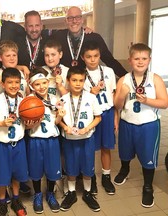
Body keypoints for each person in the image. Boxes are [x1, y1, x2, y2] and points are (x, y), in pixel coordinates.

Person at [113, 43, 168, 208]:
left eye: (144, 58)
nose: (140, 61)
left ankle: (148, 186)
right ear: (130, 60)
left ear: (149, 60)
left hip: (148, 125)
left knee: (148, 158)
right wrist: (121, 95)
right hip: (127, 123)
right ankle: (125, 170)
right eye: (136, 58)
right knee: (125, 152)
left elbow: (164, 103)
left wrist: (147, 100)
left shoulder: (155, 78)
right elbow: (117, 105)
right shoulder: (124, 79)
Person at [0, 68, 29, 216]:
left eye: (17, 82)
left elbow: (27, 122)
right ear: (3, 84)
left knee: (17, 174)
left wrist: (33, 120)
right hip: (1, 145)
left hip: (19, 144)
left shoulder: (23, 100)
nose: (14, 85)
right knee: (2, 176)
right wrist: (2, 123)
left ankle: (16, 199)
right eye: (10, 82)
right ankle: (2, 202)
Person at [58, 66, 102, 212]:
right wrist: (65, 127)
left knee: (88, 167)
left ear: (84, 82)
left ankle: (87, 193)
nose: (78, 83)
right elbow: (58, 120)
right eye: (74, 80)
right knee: (71, 167)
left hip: (87, 138)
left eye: (81, 80)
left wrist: (87, 128)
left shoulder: (91, 97)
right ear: (68, 81)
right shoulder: (62, 100)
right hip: (69, 139)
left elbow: (98, 117)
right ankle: (71, 193)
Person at [26, 67, 66, 213]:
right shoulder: (28, 102)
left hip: (52, 140)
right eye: (37, 84)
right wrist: (33, 122)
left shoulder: (54, 99)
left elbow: (55, 122)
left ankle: (50, 193)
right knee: (36, 170)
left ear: (48, 82)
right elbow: (25, 126)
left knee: (52, 169)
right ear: (31, 86)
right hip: (36, 140)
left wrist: (60, 116)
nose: (41, 87)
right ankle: (37, 194)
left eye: (44, 83)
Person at [81, 41, 117, 195]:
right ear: (83, 58)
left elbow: (113, 95)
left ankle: (106, 176)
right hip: (91, 116)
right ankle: (92, 177)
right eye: (89, 57)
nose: (93, 59)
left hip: (107, 113)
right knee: (90, 148)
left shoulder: (108, 71)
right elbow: (80, 99)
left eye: (95, 56)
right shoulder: (80, 75)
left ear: (100, 55)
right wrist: (91, 93)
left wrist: (116, 117)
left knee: (106, 147)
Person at [52, 6, 127, 77]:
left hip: (88, 82)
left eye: (77, 17)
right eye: (70, 18)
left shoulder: (94, 37)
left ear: (82, 20)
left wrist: (128, 78)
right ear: (65, 21)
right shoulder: (58, 36)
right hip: (64, 82)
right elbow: (42, 33)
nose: (74, 21)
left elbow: (110, 61)